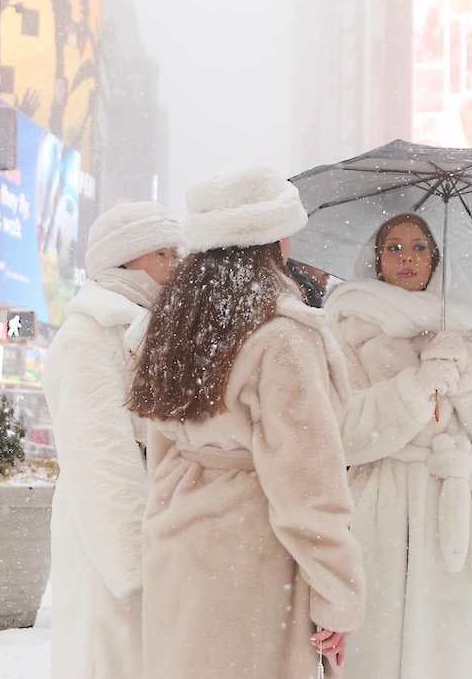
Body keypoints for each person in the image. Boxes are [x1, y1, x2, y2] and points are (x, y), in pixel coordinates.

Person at [130, 167, 365, 678]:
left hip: (180, 546)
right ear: (272, 237)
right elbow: (308, 482)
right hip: (254, 557)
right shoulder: (281, 334)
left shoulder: (175, 323)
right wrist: (336, 594)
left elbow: (161, 446)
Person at [325, 213, 472, 679]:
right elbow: (341, 433)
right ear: (377, 259)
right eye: (395, 247)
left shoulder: (468, 331)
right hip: (379, 509)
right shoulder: (346, 328)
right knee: (379, 647)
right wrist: (416, 386)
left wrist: (468, 373)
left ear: (436, 258)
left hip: (456, 511)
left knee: (457, 653)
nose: (408, 257)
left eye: (420, 247)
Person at [42, 201, 184, 678]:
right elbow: (98, 453)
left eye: (174, 252)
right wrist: (135, 563)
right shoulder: (87, 336)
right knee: (107, 651)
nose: (174, 264)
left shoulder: (154, 327)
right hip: (109, 529)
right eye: (161, 253)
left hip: (156, 515)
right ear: (124, 260)